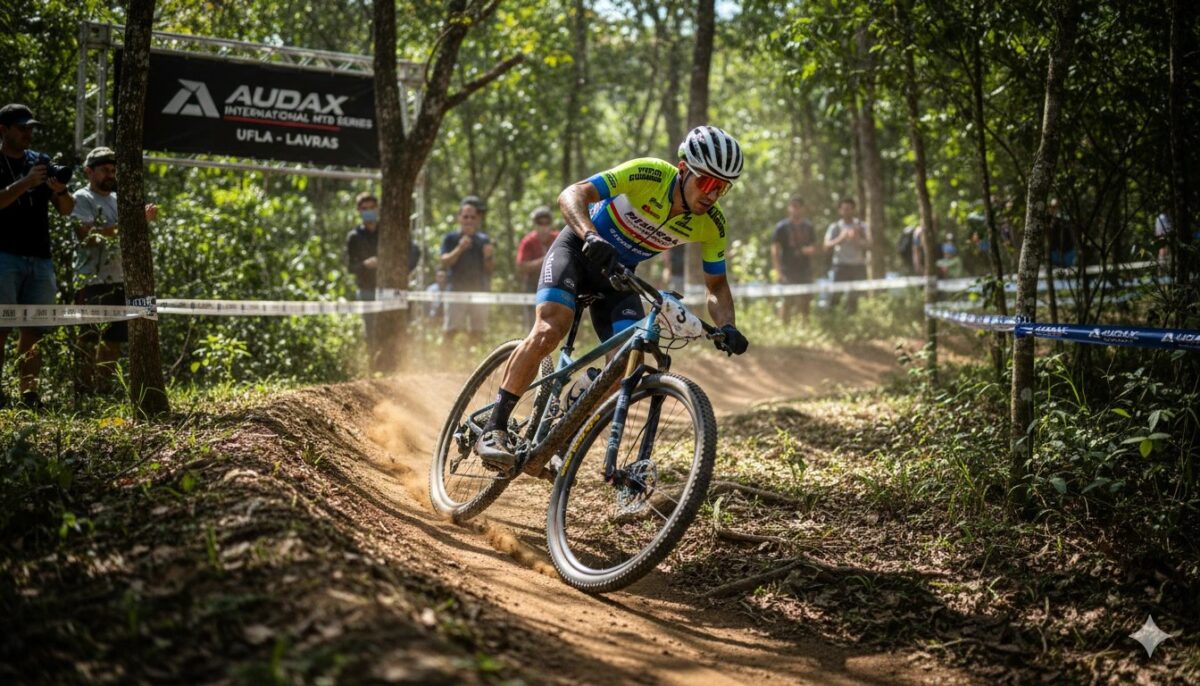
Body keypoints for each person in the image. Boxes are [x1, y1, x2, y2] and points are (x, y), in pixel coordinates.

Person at [474, 125, 750, 468]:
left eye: (722, 187)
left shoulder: (712, 224)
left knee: (624, 364)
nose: (713, 194)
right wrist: (590, 235)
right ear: (683, 169)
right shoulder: (649, 173)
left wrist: (728, 325)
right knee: (549, 330)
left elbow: (717, 285)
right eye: (707, 182)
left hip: (617, 277)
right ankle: (494, 427)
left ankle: (562, 430)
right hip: (578, 251)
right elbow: (572, 194)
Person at [0, 104, 74, 409]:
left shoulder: (40, 162)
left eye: (31, 128)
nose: (28, 134)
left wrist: (60, 190)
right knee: (1, 326)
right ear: (3, 130)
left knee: (35, 329)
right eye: (22, 128)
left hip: (41, 259)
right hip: (4, 256)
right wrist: (26, 183)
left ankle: (28, 394)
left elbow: (66, 210)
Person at [71, 146, 158, 394]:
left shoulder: (119, 200)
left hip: (121, 280)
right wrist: (132, 222)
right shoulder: (82, 198)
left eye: (113, 170)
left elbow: (130, 236)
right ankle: (83, 392)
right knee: (88, 339)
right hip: (92, 281)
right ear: (89, 171)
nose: (110, 174)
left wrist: (142, 221)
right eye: (105, 170)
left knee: (114, 340)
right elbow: (87, 235)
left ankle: (103, 390)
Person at [346, 192, 420, 346]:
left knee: (398, 331)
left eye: (372, 207)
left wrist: (404, 271)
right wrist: (365, 265)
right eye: (365, 208)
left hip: (393, 288)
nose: (369, 211)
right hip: (367, 290)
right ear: (358, 210)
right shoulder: (354, 237)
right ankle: (373, 360)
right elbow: (350, 267)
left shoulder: (389, 231)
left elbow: (415, 250)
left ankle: (401, 359)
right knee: (371, 334)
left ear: (378, 208)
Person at [440, 195, 494, 346]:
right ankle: (446, 358)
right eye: (465, 217)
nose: (469, 220)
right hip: (455, 290)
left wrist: (488, 257)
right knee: (451, 332)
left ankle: (475, 360)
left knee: (478, 333)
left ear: (478, 219)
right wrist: (459, 249)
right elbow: (444, 262)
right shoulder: (450, 238)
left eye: (472, 217)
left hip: (479, 291)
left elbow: (489, 269)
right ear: (459, 218)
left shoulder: (483, 239)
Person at [771, 194, 817, 323]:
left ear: (802, 209)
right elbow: (775, 249)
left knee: (806, 300)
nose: (795, 209)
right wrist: (778, 271)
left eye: (798, 207)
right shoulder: (782, 227)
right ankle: (784, 327)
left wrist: (810, 250)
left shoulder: (808, 226)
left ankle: (805, 326)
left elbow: (814, 246)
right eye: (793, 206)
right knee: (787, 300)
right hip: (787, 269)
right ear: (789, 208)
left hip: (805, 269)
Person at [823, 197, 870, 313]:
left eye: (849, 209)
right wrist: (841, 238)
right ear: (840, 210)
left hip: (857, 265)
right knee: (835, 296)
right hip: (840, 265)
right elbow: (826, 246)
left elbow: (869, 245)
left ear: (853, 210)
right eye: (844, 209)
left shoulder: (861, 226)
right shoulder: (835, 226)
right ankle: (831, 318)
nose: (846, 212)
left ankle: (851, 319)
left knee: (854, 298)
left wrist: (856, 238)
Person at [516, 206, 559, 328]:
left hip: (554, 284)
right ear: (535, 224)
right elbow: (521, 266)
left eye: (547, 223)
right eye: (540, 223)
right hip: (533, 285)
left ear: (551, 224)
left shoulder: (558, 238)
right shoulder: (528, 241)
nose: (543, 227)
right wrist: (546, 260)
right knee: (532, 323)